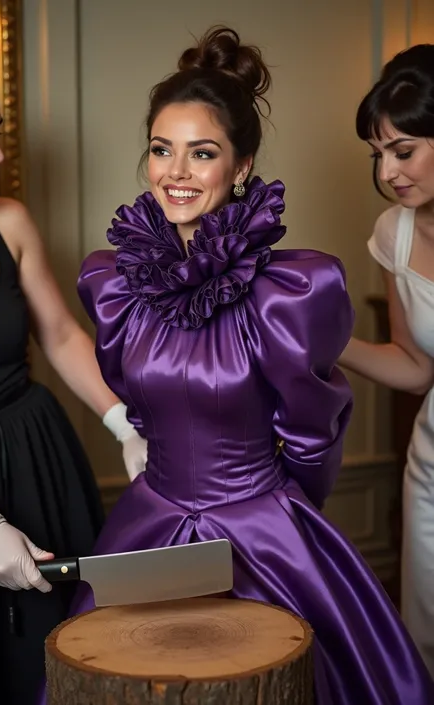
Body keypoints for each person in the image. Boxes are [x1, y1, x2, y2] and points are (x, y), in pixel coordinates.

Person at [40, 28, 434, 705]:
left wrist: (276, 516)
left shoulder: (292, 290)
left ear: (242, 165)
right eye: (162, 150)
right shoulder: (112, 283)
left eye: (203, 152)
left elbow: (316, 436)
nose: (177, 171)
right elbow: (134, 403)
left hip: (265, 527)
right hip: (152, 518)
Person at [0, 56, 147, 705]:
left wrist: (123, 419)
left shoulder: (4, 219)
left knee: (56, 658)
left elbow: (61, 334)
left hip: (34, 455)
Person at [339, 43, 434, 677]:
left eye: (404, 151)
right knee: (426, 637)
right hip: (432, 470)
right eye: (379, 156)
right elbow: (414, 364)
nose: (389, 172)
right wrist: (323, 341)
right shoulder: (393, 232)